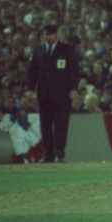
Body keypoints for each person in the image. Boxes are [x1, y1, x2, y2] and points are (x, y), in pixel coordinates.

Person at [26, 24, 80, 163]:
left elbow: (74, 70)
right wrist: (30, 89)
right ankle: (48, 154)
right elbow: (32, 71)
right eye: (46, 34)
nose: (49, 37)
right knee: (45, 125)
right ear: (43, 35)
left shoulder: (67, 49)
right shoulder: (37, 50)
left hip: (62, 93)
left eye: (51, 34)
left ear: (56, 34)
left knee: (61, 124)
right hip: (44, 93)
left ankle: (59, 153)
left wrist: (73, 88)